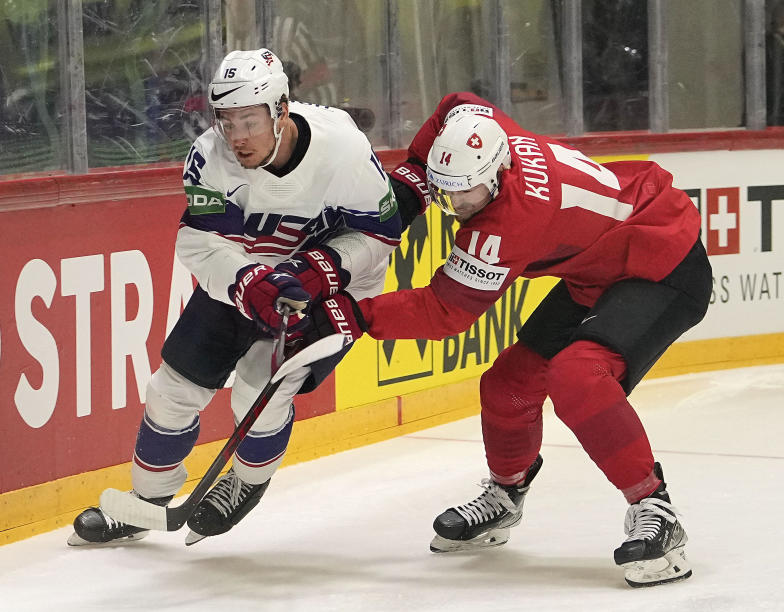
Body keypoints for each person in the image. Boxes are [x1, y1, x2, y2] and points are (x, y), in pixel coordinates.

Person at [304, 92, 710, 587]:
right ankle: (505, 496)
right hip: (602, 266)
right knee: (507, 386)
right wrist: (415, 166)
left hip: (663, 258)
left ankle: (656, 510)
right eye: (444, 192)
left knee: (577, 375)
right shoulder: (488, 133)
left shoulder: (509, 224)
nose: (455, 208)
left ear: (497, 175)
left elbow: (444, 311)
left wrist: (352, 313)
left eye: (467, 196)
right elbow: (457, 102)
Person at [68, 48, 401, 546]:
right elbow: (201, 242)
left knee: (257, 386)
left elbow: (381, 235)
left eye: (249, 120)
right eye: (227, 121)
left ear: (282, 110)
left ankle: (245, 482)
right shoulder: (210, 155)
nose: (237, 136)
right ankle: (147, 501)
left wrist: (318, 270)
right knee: (171, 390)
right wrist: (250, 282)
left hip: (331, 293)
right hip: (249, 282)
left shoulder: (343, 150)